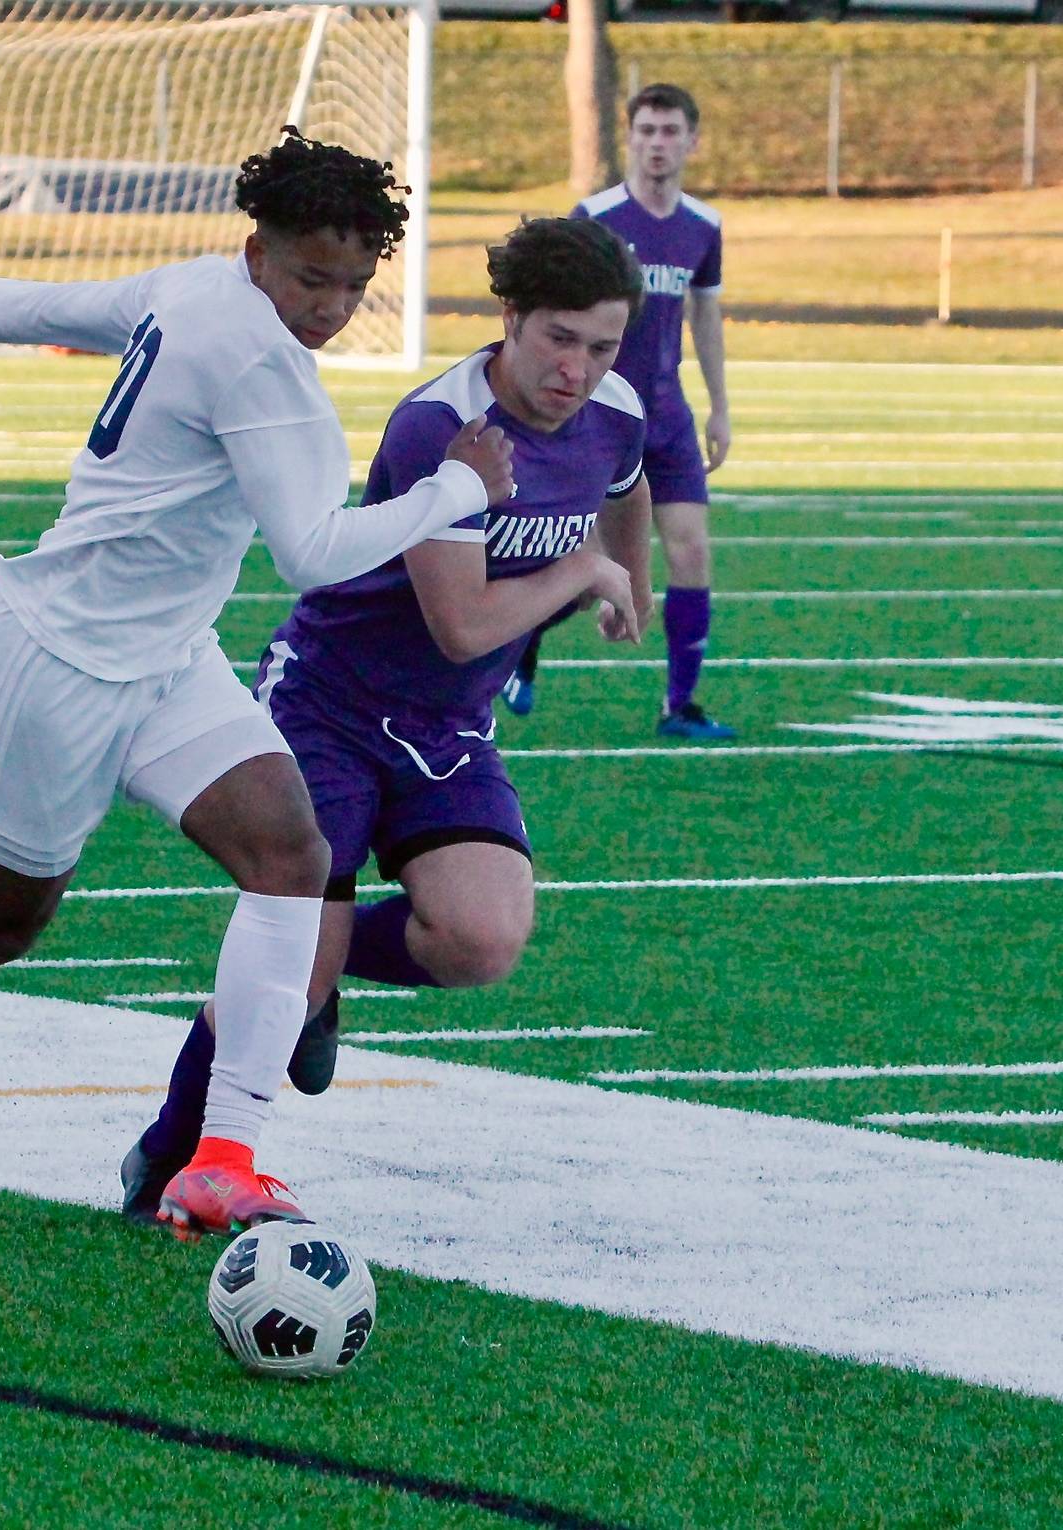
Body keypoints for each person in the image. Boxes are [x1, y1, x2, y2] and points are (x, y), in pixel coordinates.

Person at [0, 129, 514, 1243]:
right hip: (53, 665)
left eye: (351, 285)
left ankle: (223, 1155)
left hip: (166, 659)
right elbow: (313, 551)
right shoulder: (257, 362)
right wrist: (453, 489)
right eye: (310, 277)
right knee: (0, 924)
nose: (328, 305)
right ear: (255, 250)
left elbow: (62, 308)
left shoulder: (195, 288)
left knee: (290, 852)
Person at [121, 218, 651, 1215]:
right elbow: (459, 626)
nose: (577, 370)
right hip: (331, 701)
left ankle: (313, 974)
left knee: (480, 941)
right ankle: (164, 1157)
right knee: (296, 963)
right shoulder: (441, 429)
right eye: (557, 340)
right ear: (509, 320)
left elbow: (627, 481)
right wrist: (584, 570)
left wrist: (634, 576)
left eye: (601, 347)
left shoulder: (616, 412)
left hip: (446, 727)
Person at [506, 82, 733, 740]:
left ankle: (680, 706)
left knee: (691, 554)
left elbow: (707, 314)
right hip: (599, 418)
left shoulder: (703, 226)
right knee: (584, 572)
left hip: (668, 417)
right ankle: (521, 641)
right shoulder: (596, 215)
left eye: (670, 132)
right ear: (629, 138)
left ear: (692, 141)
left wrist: (720, 407)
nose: (658, 144)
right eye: (647, 131)